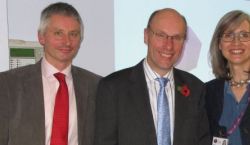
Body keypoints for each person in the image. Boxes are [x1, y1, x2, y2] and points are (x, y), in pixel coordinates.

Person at [94, 8, 210, 145]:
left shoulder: (196, 88)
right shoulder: (112, 87)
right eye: (161, 35)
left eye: (177, 38)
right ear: (146, 35)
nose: (169, 45)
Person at [0, 2, 100, 145]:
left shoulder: (97, 86)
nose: (67, 42)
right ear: (41, 37)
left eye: (74, 34)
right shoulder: (8, 84)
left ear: (80, 40)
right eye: (58, 33)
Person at [205, 10, 250, 145]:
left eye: (244, 35)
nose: (236, 42)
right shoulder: (206, 92)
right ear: (219, 44)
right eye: (229, 35)